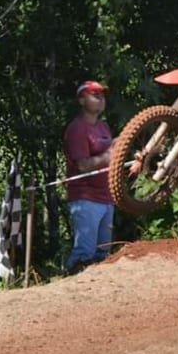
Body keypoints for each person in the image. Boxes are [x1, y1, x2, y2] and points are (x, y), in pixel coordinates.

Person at [63, 80, 115, 273]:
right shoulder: (77, 129)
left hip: (106, 197)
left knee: (103, 255)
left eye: (102, 95)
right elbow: (83, 165)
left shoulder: (104, 127)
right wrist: (110, 155)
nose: (101, 99)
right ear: (81, 100)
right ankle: (70, 287)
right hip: (85, 198)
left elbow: (112, 158)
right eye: (95, 95)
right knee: (84, 253)